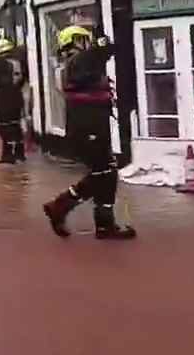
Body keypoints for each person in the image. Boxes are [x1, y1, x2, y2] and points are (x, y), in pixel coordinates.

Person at [42, 25, 136, 240]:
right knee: (103, 173)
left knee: (106, 172)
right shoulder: (77, 61)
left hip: (91, 125)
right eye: (84, 40)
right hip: (88, 127)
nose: (87, 43)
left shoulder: (75, 63)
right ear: (75, 41)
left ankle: (103, 224)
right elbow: (101, 52)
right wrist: (103, 42)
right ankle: (60, 206)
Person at [0, 37, 26, 164]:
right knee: (15, 126)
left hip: (4, 99)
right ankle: (19, 154)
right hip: (16, 98)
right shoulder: (17, 63)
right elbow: (20, 80)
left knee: (4, 127)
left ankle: (8, 155)